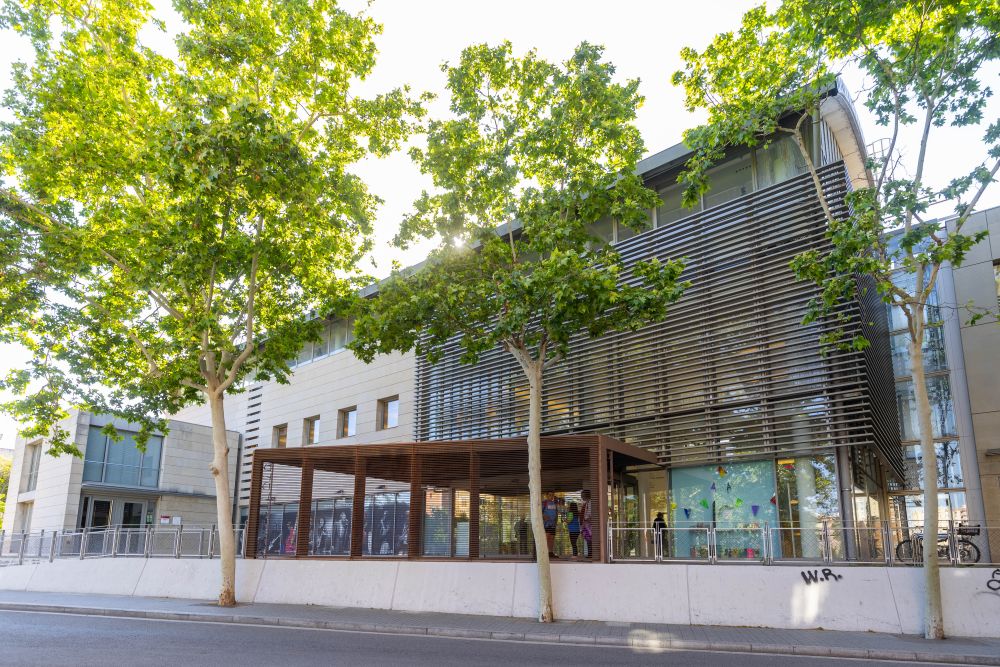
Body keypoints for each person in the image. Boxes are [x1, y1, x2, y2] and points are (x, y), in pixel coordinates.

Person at [542, 491, 558, 558]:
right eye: (550, 495)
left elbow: (556, 512)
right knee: (546, 538)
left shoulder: (554, 503)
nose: (551, 496)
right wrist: (544, 516)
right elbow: (539, 512)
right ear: (546, 495)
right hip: (546, 524)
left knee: (552, 539)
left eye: (552, 495)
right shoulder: (544, 503)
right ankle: (544, 553)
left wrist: (556, 520)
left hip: (553, 524)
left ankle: (550, 553)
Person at [580, 489, 593, 558]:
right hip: (587, 524)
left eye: (582, 495)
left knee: (590, 539)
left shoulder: (590, 503)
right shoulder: (587, 503)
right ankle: (590, 553)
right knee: (588, 539)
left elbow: (591, 514)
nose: (581, 497)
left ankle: (591, 553)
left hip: (590, 524)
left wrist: (587, 519)